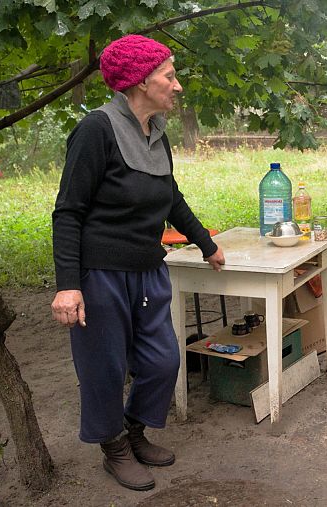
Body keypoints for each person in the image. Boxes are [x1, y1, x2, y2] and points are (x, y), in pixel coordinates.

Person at [50, 34, 225, 491]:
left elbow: (170, 197)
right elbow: (68, 211)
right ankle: (114, 448)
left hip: (148, 269)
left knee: (164, 360)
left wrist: (207, 244)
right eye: (170, 76)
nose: (177, 85)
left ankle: (134, 430)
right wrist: (68, 285)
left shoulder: (156, 134)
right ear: (141, 82)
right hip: (101, 274)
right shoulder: (96, 131)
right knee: (104, 367)